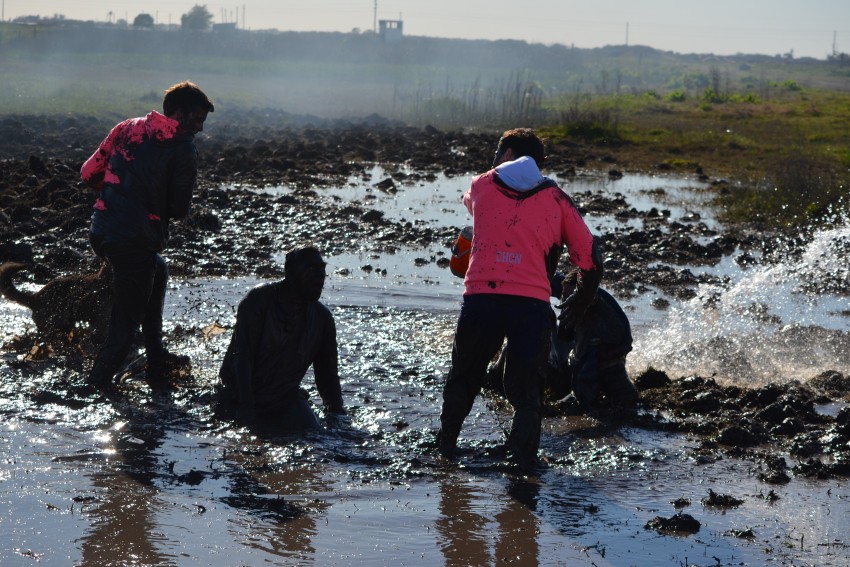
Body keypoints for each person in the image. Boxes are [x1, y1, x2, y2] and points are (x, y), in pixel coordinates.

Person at [438, 128, 602, 471]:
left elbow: (474, 208)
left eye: (497, 153)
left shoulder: (481, 185)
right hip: (530, 306)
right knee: (527, 393)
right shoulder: (557, 199)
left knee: (463, 377)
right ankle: (523, 466)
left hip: (481, 299)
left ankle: (445, 450)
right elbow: (589, 257)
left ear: (506, 153)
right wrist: (580, 301)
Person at [81, 80, 214, 388]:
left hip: (101, 232)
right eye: (196, 120)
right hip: (134, 242)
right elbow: (179, 209)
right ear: (178, 114)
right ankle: (94, 389)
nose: (200, 129)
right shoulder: (182, 147)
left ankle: (156, 358)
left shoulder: (127, 127)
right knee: (124, 329)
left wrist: (119, 194)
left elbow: (89, 173)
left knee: (158, 267)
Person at [218, 245, 346, 433]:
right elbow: (241, 358)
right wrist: (247, 408)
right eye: (311, 269)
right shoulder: (258, 300)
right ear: (290, 273)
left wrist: (338, 416)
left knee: (315, 435)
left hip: (285, 398)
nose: (320, 276)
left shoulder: (322, 319)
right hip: (239, 394)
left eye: (322, 269)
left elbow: (327, 377)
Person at [554, 267, 638, 413]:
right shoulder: (571, 295)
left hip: (609, 349)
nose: (566, 299)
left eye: (569, 295)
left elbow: (583, 379)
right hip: (607, 347)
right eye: (564, 295)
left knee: (611, 388)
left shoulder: (593, 300)